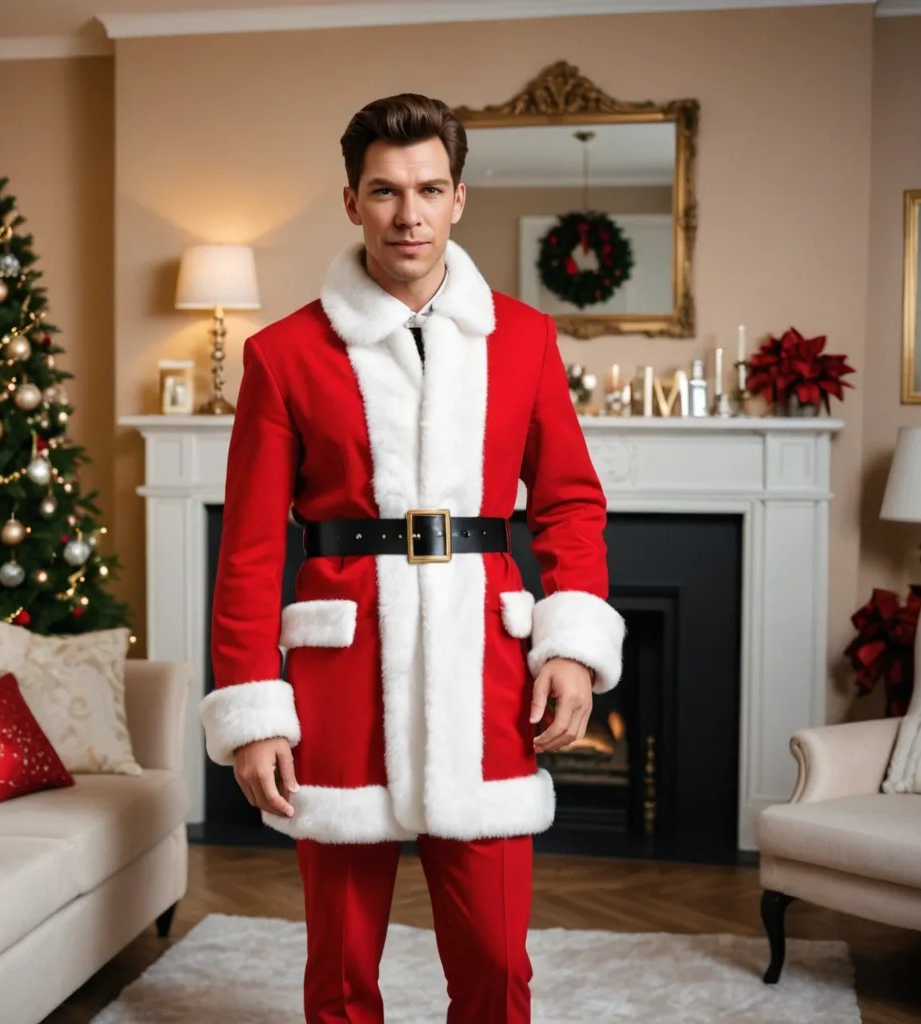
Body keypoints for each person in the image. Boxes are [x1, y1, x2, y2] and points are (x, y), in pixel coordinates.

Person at [199, 93, 625, 1024]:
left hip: (486, 670)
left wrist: (571, 645)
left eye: (430, 188)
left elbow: (568, 503)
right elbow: (249, 551)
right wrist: (251, 711)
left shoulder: (525, 339)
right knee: (343, 971)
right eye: (385, 191)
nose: (410, 213)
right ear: (351, 201)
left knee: (496, 966)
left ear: (460, 197)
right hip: (340, 680)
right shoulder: (282, 356)